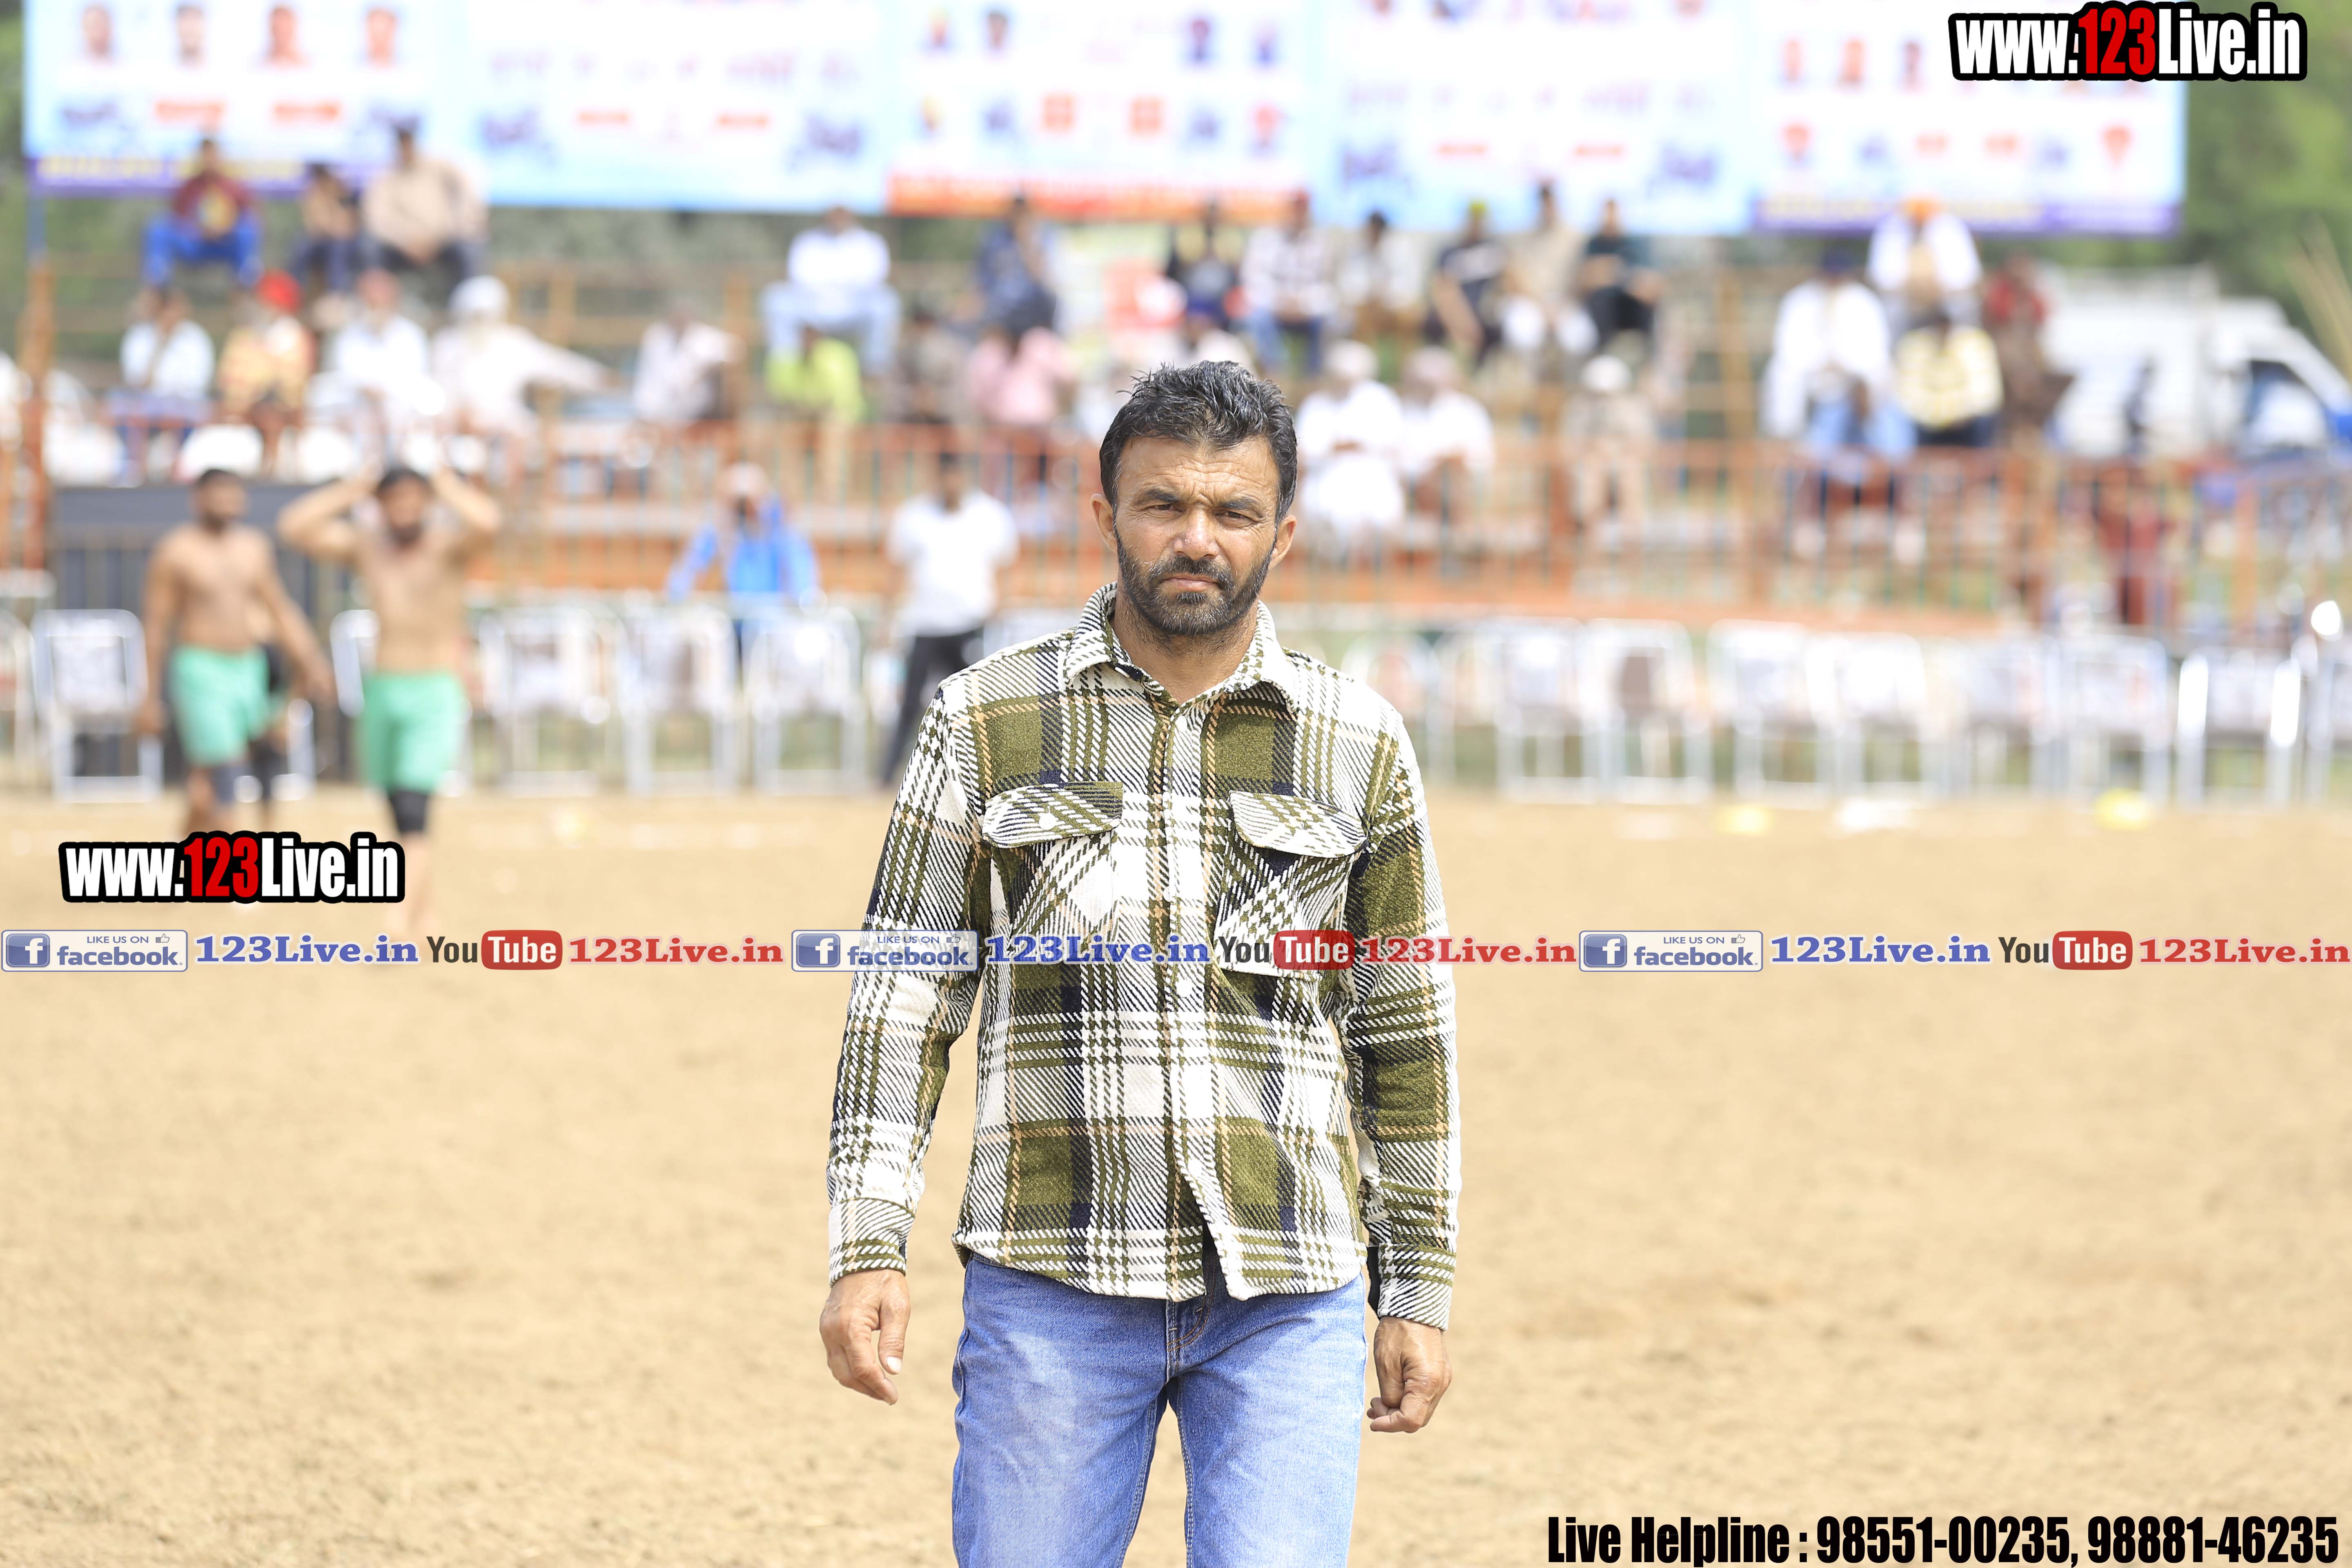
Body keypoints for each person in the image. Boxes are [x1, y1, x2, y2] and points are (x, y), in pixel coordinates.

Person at [818, 360, 1459, 1567]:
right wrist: (867, 1242)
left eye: (1233, 511)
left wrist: (1416, 1285)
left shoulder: (1357, 741)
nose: (1197, 538)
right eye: (1164, 503)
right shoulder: (982, 720)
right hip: (1051, 1278)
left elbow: (1403, 1030)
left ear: (1283, 532)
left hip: (1290, 1289)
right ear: (1104, 512)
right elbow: (902, 1002)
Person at [276, 462, 500, 936]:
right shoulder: (368, 547)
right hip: (383, 689)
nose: (404, 509)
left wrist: (445, 485)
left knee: (415, 805)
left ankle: (397, 917)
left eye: (413, 499)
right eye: (395, 499)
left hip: (434, 687)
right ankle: (427, 915)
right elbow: (294, 527)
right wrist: (352, 488)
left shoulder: (447, 547)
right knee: (398, 810)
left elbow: (488, 522)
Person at [136, 469, 331, 834]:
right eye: (217, 494)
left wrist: (311, 659)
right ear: (198, 499)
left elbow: (279, 608)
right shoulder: (176, 551)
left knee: (210, 781)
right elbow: (156, 626)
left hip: (248, 667)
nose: (225, 502)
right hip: (201, 668)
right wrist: (149, 698)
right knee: (225, 768)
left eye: (232, 494)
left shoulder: (253, 548)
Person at [874, 446, 1017, 781]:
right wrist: (887, 620)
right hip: (925, 623)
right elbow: (896, 571)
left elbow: (1007, 567)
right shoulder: (914, 517)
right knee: (911, 704)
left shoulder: (989, 515)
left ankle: (989, 776)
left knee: (976, 705)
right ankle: (888, 775)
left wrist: (1000, 608)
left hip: (970, 624)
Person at [1760, 247, 1910, 459]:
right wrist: (1821, 363)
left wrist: (1847, 366)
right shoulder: (1800, 300)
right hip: (1814, 380)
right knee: (1783, 376)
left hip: (1856, 379)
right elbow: (1788, 348)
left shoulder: (1864, 301)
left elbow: (1876, 350)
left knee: (1884, 386)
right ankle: (1788, 444)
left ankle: (1892, 457)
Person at [430, 274, 607, 446]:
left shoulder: (512, 343)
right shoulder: (448, 344)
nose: (480, 323)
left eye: (484, 316)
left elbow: (560, 367)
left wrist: (601, 378)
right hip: (457, 434)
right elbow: (440, 394)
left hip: (507, 431)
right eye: (477, 316)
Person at [1294, 337, 1406, 556]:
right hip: (1326, 474)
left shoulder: (1382, 399)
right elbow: (1304, 449)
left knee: (1380, 511)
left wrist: (1363, 446)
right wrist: (1333, 448)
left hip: (1373, 473)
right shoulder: (1317, 403)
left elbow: (1395, 443)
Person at [665, 462, 821, 612]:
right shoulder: (722, 532)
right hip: (735, 615)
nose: (744, 511)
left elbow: (803, 583)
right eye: (738, 504)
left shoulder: (782, 533)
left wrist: (799, 605)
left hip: (774, 617)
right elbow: (687, 571)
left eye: (749, 503)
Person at [361, 123, 487, 302]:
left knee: (469, 248)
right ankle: (377, 306)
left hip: (442, 240)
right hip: (402, 247)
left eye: (409, 144)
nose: (406, 150)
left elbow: (467, 195)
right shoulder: (385, 178)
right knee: (371, 247)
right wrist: (406, 241)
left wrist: (447, 232)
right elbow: (377, 220)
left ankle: (469, 304)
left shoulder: (441, 168)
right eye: (402, 145)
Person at [762, 206, 899, 371]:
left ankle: (875, 370)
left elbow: (873, 281)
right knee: (777, 300)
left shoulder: (871, 242)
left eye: (843, 213)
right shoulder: (807, 241)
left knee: (885, 303)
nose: (839, 218)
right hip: (813, 307)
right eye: (835, 213)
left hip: (855, 308)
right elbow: (799, 280)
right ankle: (786, 368)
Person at [325, 266, 435, 461]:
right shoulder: (348, 337)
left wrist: (386, 395)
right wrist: (370, 392)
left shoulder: (411, 336)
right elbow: (346, 377)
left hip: (401, 411)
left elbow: (416, 379)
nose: (377, 308)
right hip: (358, 409)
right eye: (371, 303)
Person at [216, 269, 314, 475]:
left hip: (283, 408)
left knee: (272, 416)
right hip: (246, 406)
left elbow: (296, 380)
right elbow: (230, 376)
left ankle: (273, 465)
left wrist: (269, 380)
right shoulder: (244, 336)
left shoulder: (295, 337)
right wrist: (253, 390)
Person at [113, 287, 215, 483]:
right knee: (121, 408)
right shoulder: (140, 336)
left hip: (185, 404)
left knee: (191, 412)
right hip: (148, 403)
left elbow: (198, 382)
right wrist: (159, 346)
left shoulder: (195, 337)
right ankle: (135, 469)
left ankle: (177, 468)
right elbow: (137, 382)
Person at [142, 138, 261, 290]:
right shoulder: (189, 188)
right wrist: (197, 229)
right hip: (196, 244)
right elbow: (177, 218)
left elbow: (253, 218)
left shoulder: (234, 188)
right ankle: (158, 286)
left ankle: (247, 284)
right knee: (159, 229)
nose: (209, 161)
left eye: (212, 156)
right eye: (205, 157)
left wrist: (226, 229)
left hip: (224, 244)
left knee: (247, 230)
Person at [1241, 191, 1334, 377]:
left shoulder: (1321, 243)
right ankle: (1277, 374)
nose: (1297, 216)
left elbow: (1327, 286)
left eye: (1302, 210)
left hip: (1308, 310)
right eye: (1294, 209)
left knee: (1331, 321)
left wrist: (1303, 303)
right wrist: (1280, 301)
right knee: (1256, 319)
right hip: (1272, 308)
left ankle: (1313, 378)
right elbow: (1254, 280)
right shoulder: (1265, 239)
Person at [1400, 345, 1494, 528]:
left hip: (1460, 485)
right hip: (1417, 485)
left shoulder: (1468, 410)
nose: (1428, 387)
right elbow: (1400, 457)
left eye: (1433, 382)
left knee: (1450, 477)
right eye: (1423, 382)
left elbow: (1481, 455)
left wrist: (1449, 461)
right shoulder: (1403, 410)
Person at [1867, 194, 1981, 332]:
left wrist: (1936, 289)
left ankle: (1959, 341)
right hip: (1906, 302)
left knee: (1963, 305)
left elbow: (1966, 277)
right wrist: (1912, 289)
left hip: (1944, 299)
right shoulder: (1892, 229)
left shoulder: (1951, 228)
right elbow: (1883, 278)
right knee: (1890, 308)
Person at [1893, 306, 2003, 448]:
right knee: (1899, 421)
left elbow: (1986, 395)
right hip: (1927, 426)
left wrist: (1957, 414)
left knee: (1985, 421)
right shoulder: (1915, 345)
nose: (1943, 329)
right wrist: (1939, 417)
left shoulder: (1974, 342)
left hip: (1967, 423)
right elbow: (1909, 397)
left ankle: (1983, 461)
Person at [1333, 208, 1424, 375]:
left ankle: (1405, 374)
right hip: (1366, 308)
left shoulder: (1401, 248)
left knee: (1409, 318)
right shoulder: (1356, 249)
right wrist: (1369, 296)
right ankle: (1366, 374)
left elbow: (1411, 285)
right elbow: (1348, 284)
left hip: (1395, 307)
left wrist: (1386, 297)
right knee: (1361, 319)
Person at [631, 297, 739, 431]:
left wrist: (704, 370)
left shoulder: (703, 337)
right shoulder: (657, 336)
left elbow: (734, 350)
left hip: (694, 412)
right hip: (656, 412)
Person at [1426, 200, 1510, 363]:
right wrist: (1464, 323)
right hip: (1452, 317)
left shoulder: (1495, 250)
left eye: (1480, 218)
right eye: (1473, 218)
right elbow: (1442, 289)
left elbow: (1510, 280)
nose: (1476, 223)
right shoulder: (1449, 252)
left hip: (1484, 317)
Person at [973, 192, 1058, 338]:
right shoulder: (996, 239)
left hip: (1033, 311)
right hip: (1000, 311)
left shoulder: (1042, 236)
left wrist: (1026, 243)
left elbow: (1042, 278)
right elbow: (983, 279)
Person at [1166, 198, 1245, 328]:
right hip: (1194, 288)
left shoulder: (1229, 234)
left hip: (1222, 291)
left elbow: (1233, 263)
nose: (1212, 218)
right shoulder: (1191, 232)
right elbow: (1185, 261)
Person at [287, 163, 361, 301]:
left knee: (339, 248)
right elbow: (316, 226)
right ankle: (292, 293)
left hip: (343, 242)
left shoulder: (344, 195)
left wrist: (336, 198)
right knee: (302, 246)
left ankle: (337, 296)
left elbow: (348, 227)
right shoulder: (312, 194)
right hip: (320, 241)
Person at [885, 303, 969, 424]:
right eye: (919, 323)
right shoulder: (903, 352)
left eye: (928, 323)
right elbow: (891, 393)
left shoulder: (952, 351)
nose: (924, 328)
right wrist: (914, 399)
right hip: (909, 422)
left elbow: (961, 395)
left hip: (945, 423)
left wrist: (936, 401)